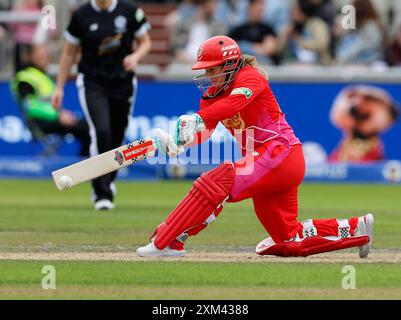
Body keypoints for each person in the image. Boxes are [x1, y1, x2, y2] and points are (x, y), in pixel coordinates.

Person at [136, 35, 374, 258]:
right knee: (287, 240)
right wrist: (178, 142)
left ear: (229, 65)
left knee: (218, 181)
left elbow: (234, 103)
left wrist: (197, 119)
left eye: (212, 69)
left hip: (280, 153)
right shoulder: (211, 95)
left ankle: (169, 241)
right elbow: (204, 132)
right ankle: (356, 227)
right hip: (268, 164)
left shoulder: (250, 77)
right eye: (205, 70)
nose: (207, 75)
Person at [52, 0, 152, 211]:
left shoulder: (130, 11)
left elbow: (146, 42)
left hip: (123, 83)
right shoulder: (81, 15)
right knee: (101, 131)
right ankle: (101, 192)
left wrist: (135, 56)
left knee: (117, 136)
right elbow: (69, 53)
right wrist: (59, 87)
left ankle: (108, 180)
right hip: (92, 82)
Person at [10, 44, 90, 156]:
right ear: (30, 56)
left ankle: (86, 164)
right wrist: (58, 115)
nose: (45, 59)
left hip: (53, 119)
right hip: (41, 122)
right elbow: (30, 106)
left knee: (88, 127)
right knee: (86, 130)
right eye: (41, 56)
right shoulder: (25, 78)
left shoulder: (41, 76)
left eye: (46, 56)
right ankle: (85, 166)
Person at [329, 85, 399, 162]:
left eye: (369, 99)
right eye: (352, 96)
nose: (357, 102)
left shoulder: (377, 156)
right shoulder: (339, 152)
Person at [228, 0, 279, 65]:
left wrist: (245, 47)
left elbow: (269, 49)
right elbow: (231, 50)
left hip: (263, 65)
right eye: (257, 9)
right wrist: (260, 47)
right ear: (249, 8)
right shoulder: (237, 30)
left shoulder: (268, 29)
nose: (259, 13)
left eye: (261, 10)